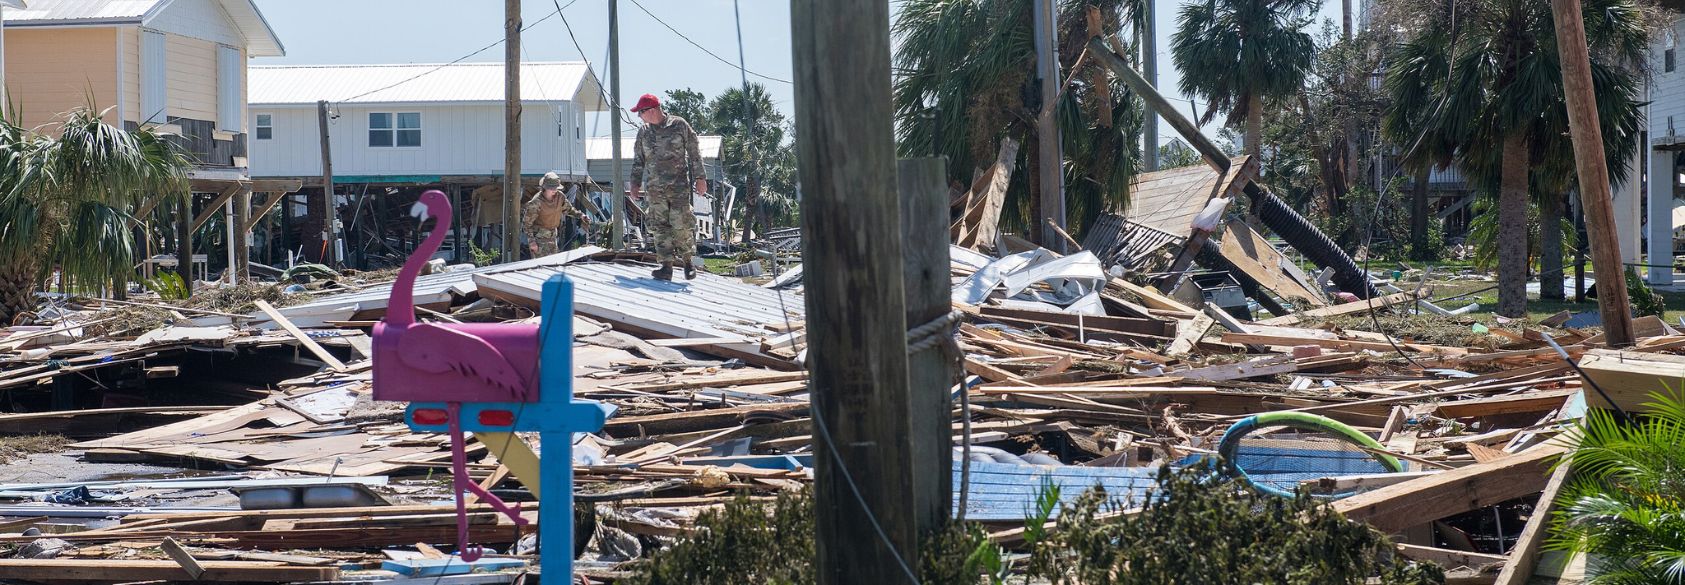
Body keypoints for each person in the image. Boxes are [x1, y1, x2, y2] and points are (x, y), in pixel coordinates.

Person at [628, 93, 706, 281]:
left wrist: (701, 177)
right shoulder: (644, 132)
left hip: (678, 188)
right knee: (659, 226)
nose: (640, 116)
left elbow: (694, 151)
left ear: (653, 110)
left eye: (641, 112)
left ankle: (688, 263)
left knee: (682, 224)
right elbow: (638, 160)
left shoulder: (679, 125)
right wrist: (635, 183)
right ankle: (666, 267)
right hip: (655, 189)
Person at [523, 171, 588, 258]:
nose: (554, 190)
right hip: (539, 240)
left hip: (553, 237)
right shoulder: (536, 203)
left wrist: (581, 215)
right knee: (541, 267)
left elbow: (569, 209)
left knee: (554, 264)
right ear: (545, 188)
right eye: (551, 188)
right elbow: (527, 224)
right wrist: (532, 241)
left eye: (556, 188)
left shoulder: (560, 197)